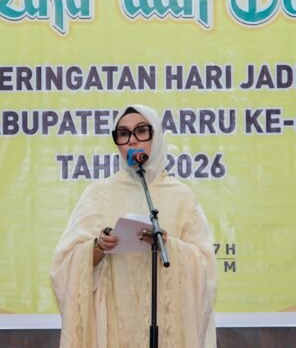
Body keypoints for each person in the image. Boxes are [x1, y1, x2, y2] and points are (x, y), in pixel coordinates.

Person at [50, 104, 216, 347]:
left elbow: (205, 266)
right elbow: (64, 265)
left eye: (141, 131)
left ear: (155, 136)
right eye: (123, 134)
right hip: (116, 326)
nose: (132, 140)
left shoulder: (181, 196)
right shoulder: (98, 194)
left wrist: (167, 244)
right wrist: (99, 247)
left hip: (165, 326)